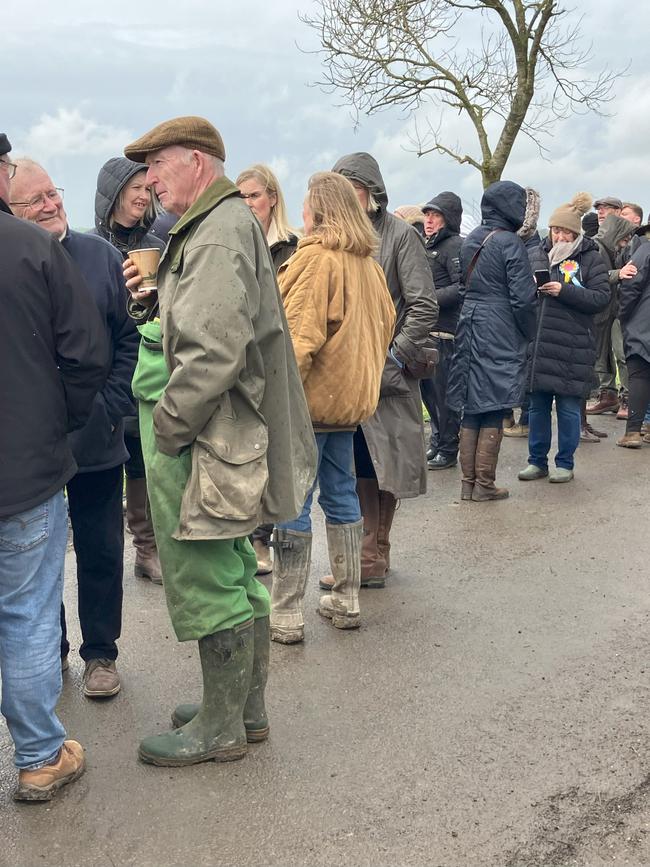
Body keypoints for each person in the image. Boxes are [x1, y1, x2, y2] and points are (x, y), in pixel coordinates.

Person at [122, 116, 316, 767]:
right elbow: (205, 322)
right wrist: (152, 302)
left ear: (198, 163)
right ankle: (240, 706)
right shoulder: (221, 225)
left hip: (211, 438)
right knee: (235, 569)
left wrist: (169, 431)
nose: (148, 180)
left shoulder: (216, 232)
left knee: (210, 573)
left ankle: (221, 726)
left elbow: (210, 355)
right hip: (230, 437)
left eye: (157, 165)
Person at [0, 133, 108, 800]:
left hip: (28, 463)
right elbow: (87, 354)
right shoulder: (32, 248)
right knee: (28, 613)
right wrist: (55, 419)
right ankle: (39, 753)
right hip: (26, 473)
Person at [10, 159, 139, 699]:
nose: (51, 204)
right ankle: (50, 651)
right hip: (33, 449)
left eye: (53, 193)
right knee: (38, 562)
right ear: (11, 211)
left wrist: (107, 410)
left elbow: (127, 340)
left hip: (96, 439)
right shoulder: (12, 261)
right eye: (35, 200)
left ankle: (101, 654)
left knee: (101, 548)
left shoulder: (101, 257)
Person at [269, 171, 395, 643]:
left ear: (318, 210)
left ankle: (285, 611)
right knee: (340, 495)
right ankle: (347, 598)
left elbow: (298, 341)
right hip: (348, 405)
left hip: (309, 404)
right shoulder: (368, 266)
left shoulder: (317, 261)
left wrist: (279, 400)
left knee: (294, 501)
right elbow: (386, 328)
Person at [331, 152, 438, 588]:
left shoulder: (399, 236)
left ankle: (373, 552)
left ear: (370, 192)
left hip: (386, 373)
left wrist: (393, 356)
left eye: (350, 191)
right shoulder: (337, 238)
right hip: (348, 371)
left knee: (384, 462)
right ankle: (372, 552)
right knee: (358, 459)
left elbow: (423, 305)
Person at [92, 157, 165, 585]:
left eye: (146, 188)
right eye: (133, 188)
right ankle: (112, 555)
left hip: (151, 363)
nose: (142, 195)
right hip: (109, 366)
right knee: (111, 460)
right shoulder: (92, 244)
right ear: (113, 193)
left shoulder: (157, 239)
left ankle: (148, 547)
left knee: (144, 458)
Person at [447, 180, 538, 501]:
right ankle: (485, 484)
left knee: (472, 407)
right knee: (495, 404)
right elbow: (523, 299)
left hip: (469, 323)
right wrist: (529, 331)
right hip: (499, 325)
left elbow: (462, 284)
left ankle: (468, 484)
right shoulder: (510, 243)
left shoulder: (471, 239)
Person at [517, 193, 609, 483]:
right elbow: (518, 295)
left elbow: (601, 298)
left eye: (565, 232)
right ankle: (536, 461)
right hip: (539, 344)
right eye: (556, 230)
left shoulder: (591, 258)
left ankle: (565, 462)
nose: (559, 237)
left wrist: (564, 291)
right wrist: (531, 289)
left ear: (575, 233)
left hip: (572, 345)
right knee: (538, 407)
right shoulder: (535, 254)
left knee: (568, 408)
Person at [236, 163, 300, 576]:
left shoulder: (292, 248)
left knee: (278, 453)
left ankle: (270, 539)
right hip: (245, 357)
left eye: (254, 195)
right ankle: (250, 538)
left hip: (283, 356)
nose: (248, 204)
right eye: (240, 197)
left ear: (272, 198)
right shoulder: (235, 243)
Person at [419, 192, 463, 470]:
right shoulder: (427, 246)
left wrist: (427, 298)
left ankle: (448, 447)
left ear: (448, 218)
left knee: (444, 394)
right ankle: (437, 440)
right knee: (429, 393)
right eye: (427, 215)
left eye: (435, 215)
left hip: (445, 333)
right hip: (426, 331)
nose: (429, 220)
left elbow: (462, 287)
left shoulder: (455, 246)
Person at [504, 187, 547, 438]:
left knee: (527, 373)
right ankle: (516, 418)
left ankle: (525, 421)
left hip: (526, 324)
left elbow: (530, 293)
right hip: (520, 322)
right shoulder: (522, 247)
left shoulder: (531, 251)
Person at [586, 213, 637, 417]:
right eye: (623, 239)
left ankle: (620, 397)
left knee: (616, 353)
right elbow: (592, 277)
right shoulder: (597, 248)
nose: (625, 244)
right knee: (605, 355)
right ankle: (612, 396)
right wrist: (618, 273)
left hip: (612, 310)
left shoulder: (608, 248)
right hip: (604, 310)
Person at [617, 221, 650, 448]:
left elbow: (631, 284)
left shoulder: (645, 250)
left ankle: (633, 432)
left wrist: (623, 314)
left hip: (644, 320)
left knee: (639, 373)